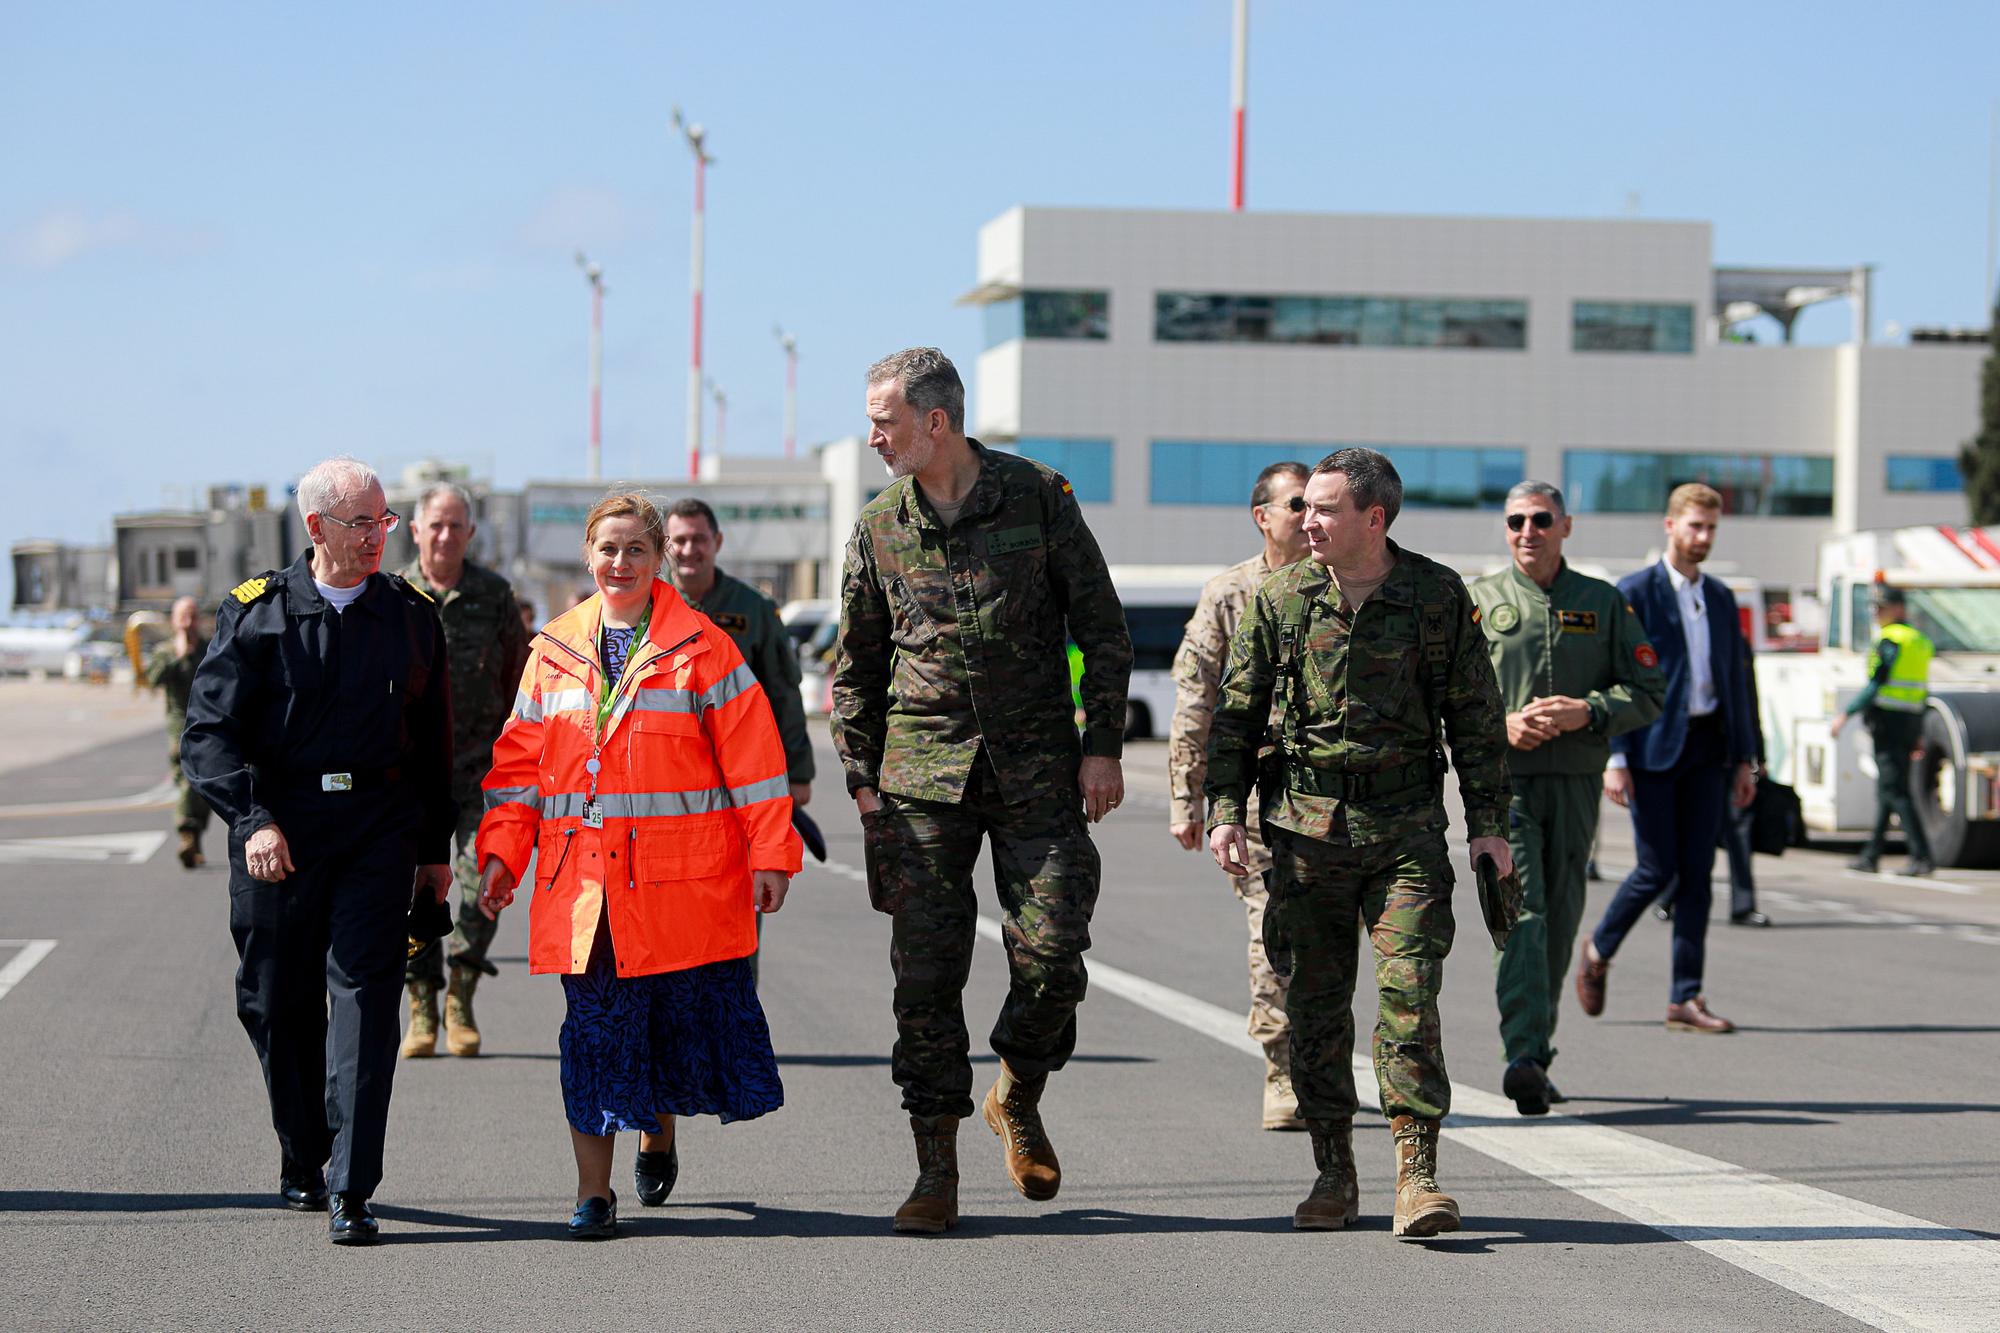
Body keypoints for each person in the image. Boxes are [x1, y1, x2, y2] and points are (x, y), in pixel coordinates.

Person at [831, 347, 1132, 1235]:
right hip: (920, 780)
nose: (874, 434)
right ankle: (936, 1168)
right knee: (925, 980)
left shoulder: (1039, 495)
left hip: (1039, 768)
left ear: (936, 420)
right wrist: (863, 785)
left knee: (1053, 955)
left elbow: (1103, 627)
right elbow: (855, 664)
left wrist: (1103, 746)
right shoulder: (881, 522)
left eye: (885, 419)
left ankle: (1017, 1091)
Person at [475, 492, 800, 1240]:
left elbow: (755, 763)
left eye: (635, 550)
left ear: (658, 559)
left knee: (663, 1032)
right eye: (607, 549)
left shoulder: (706, 646)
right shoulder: (552, 650)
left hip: (680, 889)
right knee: (592, 1033)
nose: (619, 563)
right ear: (587, 556)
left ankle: (660, 1133)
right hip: (584, 891)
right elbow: (518, 769)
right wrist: (500, 854)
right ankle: (594, 1192)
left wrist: (771, 854)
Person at [1206, 447, 1511, 1240]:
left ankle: (1417, 1172)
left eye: (1325, 508)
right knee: (1315, 1008)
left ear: (1373, 518)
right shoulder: (1280, 598)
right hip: (1304, 838)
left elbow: (1476, 720)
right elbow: (1235, 714)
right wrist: (1223, 811)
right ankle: (1334, 1170)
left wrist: (1489, 827)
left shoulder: (1437, 596)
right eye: (1303, 507)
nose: (1307, 520)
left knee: (1409, 999)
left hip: (1405, 831)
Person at [182, 456, 455, 1245]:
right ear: (316, 528)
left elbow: (434, 742)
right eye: (360, 524)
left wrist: (436, 850)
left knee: (367, 999)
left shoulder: (410, 616)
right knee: (274, 1000)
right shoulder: (256, 614)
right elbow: (207, 732)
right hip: (282, 826)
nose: (377, 538)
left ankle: (352, 1183)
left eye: (383, 522)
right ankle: (304, 1151)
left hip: (377, 824)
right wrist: (251, 819)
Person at [1469, 481, 1664, 1117]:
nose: (1529, 531)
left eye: (1541, 520)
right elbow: (1443, 698)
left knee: (1560, 920)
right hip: (1506, 789)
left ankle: (1538, 1051)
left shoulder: (1602, 603)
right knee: (1521, 914)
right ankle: (1521, 1053)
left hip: (1577, 784)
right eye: (1516, 521)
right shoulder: (1480, 602)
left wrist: (1590, 711)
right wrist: (1500, 726)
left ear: (1566, 526)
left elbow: (1648, 690)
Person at [1575, 484, 1758, 1036]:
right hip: (1651, 746)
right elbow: (1611, 678)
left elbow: (1739, 680)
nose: (1702, 537)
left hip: (1710, 748)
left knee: (1699, 874)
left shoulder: (1721, 598)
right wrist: (1617, 754)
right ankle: (1599, 947)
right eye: (1694, 526)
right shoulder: (1635, 592)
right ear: (1670, 526)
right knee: (1657, 867)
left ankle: (1685, 997)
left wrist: (1748, 757)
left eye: (1711, 528)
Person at [1167, 459, 1311, 1131]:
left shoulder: (1342, 585)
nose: (1310, 519)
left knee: (1324, 937)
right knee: (1271, 923)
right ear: (1263, 517)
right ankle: (1282, 1066)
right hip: (1258, 795)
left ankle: (1319, 1059)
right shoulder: (1230, 594)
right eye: (1296, 506)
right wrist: (1185, 798)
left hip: (1337, 797)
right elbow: (1195, 701)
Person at [397, 481, 531, 1059]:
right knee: (412, 892)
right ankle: (422, 1002)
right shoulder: (389, 594)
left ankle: (462, 992)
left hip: (482, 771)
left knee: (483, 884)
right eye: (436, 525)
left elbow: (519, 683)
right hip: (408, 775)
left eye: (457, 526)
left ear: (470, 533)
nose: (446, 536)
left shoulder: (494, 595)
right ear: (416, 530)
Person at [664, 496, 815, 977]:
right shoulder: (648, 605)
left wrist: (798, 773)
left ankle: (735, 1034)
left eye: (698, 539)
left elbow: (784, 694)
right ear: (666, 547)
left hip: (740, 787)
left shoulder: (753, 610)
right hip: (668, 790)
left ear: (717, 543)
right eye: (679, 540)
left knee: (738, 917)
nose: (690, 550)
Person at [1833, 590, 1935, 876]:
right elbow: (1922, 689)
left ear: (1897, 609)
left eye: (1880, 607)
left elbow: (1877, 683)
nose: (1876, 613)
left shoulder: (1891, 639)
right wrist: (1919, 731)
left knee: (1896, 790)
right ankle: (1872, 854)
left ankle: (1921, 855)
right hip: (1910, 721)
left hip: (1888, 723)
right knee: (1887, 789)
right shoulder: (1919, 641)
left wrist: (1846, 713)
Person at [148, 595, 213, 869]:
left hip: (208, 723)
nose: (188, 622)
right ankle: (186, 832)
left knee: (207, 782)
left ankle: (194, 836)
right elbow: (154, 680)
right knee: (187, 778)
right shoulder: (165, 651)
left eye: (192, 615)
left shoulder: (209, 648)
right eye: (182, 616)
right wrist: (178, 653)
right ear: (174, 621)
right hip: (180, 726)